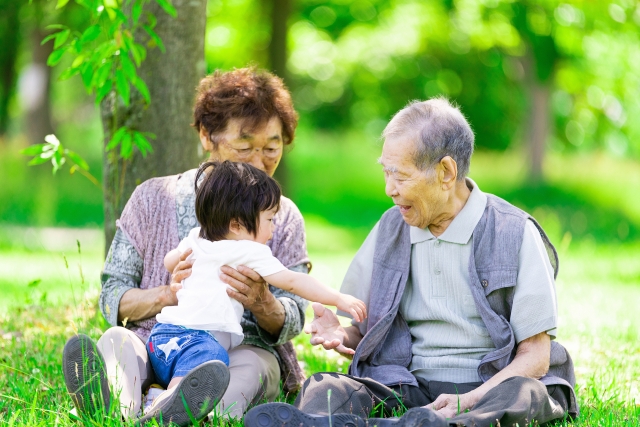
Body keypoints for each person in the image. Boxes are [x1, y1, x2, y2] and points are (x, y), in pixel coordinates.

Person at [245, 98, 578, 427]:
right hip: (406, 385)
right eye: (386, 173)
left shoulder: (514, 231)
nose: (389, 189)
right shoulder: (391, 228)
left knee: (527, 394)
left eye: (401, 177)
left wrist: (467, 400)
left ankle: (445, 422)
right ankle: (369, 423)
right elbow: (365, 333)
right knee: (328, 386)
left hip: (488, 387)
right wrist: (342, 335)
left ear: (446, 172)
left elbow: (536, 355)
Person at [62, 67, 312, 425]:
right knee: (119, 341)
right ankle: (118, 407)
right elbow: (112, 297)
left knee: (249, 368)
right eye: (244, 146)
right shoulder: (152, 198)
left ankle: (171, 409)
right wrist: (167, 294)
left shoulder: (283, 216)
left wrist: (263, 302)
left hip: (236, 353)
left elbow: (296, 315)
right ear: (207, 137)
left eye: (272, 148)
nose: (259, 161)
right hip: (157, 344)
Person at [146, 160, 366, 414]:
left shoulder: (197, 237)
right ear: (237, 225)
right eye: (270, 220)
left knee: (200, 367)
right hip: (198, 344)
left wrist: (179, 266)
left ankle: (154, 397)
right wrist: (337, 298)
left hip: (163, 335)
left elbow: (168, 261)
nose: (272, 230)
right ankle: (162, 407)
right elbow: (294, 281)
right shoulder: (249, 251)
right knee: (206, 362)